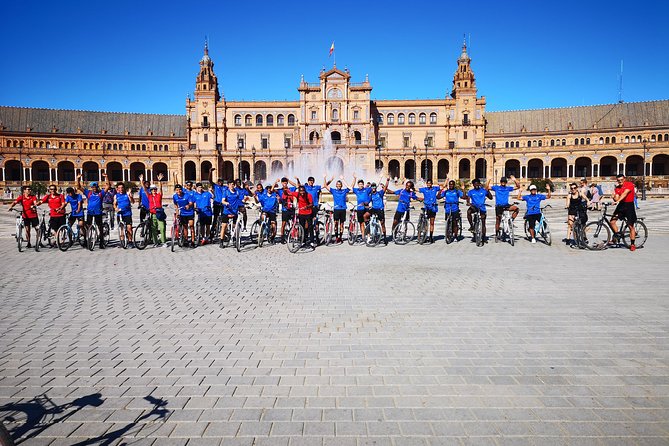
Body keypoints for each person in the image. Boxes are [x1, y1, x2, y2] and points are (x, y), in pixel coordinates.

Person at [77, 174, 108, 249]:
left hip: (98, 212)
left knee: (99, 226)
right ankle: (86, 240)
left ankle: (101, 241)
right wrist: (78, 179)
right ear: (91, 188)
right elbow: (79, 187)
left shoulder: (101, 193)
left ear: (97, 187)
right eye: (93, 187)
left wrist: (106, 177)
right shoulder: (89, 193)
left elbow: (108, 186)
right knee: (88, 227)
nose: (94, 188)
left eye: (95, 187)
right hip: (90, 212)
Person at [609, 174, 637, 251]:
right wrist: (613, 197)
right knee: (612, 222)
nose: (620, 181)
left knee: (630, 225)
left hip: (629, 206)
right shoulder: (617, 188)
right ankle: (617, 236)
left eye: (621, 179)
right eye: (618, 180)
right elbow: (617, 198)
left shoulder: (629, 184)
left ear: (624, 179)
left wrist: (617, 201)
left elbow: (625, 194)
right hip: (621, 205)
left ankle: (632, 244)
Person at [322, 177, 350, 244]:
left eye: (340, 184)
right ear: (336, 185)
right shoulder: (334, 191)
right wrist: (325, 178)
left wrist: (345, 179)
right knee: (336, 224)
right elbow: (325, 185)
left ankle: (340, 237)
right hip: (336, 209)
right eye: (337, 184)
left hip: (343, 209)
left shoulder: (344, 191)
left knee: (342, 224)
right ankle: (337, 237)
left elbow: (350, 187)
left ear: (341, 185)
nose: (339, 185)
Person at [466, 178, 493, 242]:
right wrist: (468, 203)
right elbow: (468, 199)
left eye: (477, 184)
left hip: (482, 207)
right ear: (473, 185)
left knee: (483, 222)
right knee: (468, 212)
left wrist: (488, 191)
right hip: (474, 206)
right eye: (475, 184)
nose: (476, 185)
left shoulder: (483, 191)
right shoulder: (471, 192)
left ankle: (483, 237)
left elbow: (491, 198)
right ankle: (472, 226)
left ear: (479, 184)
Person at [565, 182, 590, 246]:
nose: (573, 189)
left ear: (577, 188)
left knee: (582, 225)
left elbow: (586, 199)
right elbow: (567, 203)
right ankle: (568, 239)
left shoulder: (580, 194)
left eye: (574, 188)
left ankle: (584, 237)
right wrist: (567, 206)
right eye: (571, 188)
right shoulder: (569, 195)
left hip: (579, 210)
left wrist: (588, 202)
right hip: (572, 210)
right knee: (570, 225)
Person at [419, 179, 441, 243]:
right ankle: (425, 236)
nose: (428, 184)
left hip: (433, 207)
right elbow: (417, 190)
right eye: (427, 183)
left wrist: (447, 180)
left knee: (432, 223)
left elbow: (442, 187)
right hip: (426, 207)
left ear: (431, 184)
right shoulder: (424, 189)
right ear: (426, 184)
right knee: (425, 223)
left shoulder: (435, 188)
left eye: (430, 183)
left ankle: (431, 237)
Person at [147, 174, 167, 246]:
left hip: (159, 213)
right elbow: (144, 189)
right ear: (151, 191)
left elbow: (160, 189)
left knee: (162, 227)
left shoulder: (159, 195)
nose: (154, 191)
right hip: (153, 214)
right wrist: (141, 181)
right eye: (153, 190)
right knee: (153, 229)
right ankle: (155, 242)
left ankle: (163, 241)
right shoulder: (149, 196)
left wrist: (159, 181)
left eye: (155, 189)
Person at [114, 181, 135, 246]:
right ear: (117, 189)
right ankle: (122, 241)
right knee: (121, 228)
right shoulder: (116, 196)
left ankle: (130, 241)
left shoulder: (127, 194)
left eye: (122, 187)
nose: (121, 189)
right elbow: (114, 204)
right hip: (120, 214)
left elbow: (133, 202)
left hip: (127, 213)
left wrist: (130, 196)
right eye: (119, 188)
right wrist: (115, 208)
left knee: (129, 227)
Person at [370, 178, 390, 245]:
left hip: (380, 209)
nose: (373, 188)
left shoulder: (379, 193)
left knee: (382, 223)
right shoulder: (371, 195)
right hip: (373, 209)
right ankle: (370, 231)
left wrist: (387, 181)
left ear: (376, 187)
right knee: (365, 215)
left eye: (374, 186)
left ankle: (384, 238)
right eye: (372, 187)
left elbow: (385, 188)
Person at [277, 177, 297, 243]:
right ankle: (282, 238)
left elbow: (297, 186)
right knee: (283, 223)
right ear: (282, 183)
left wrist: (289, 180)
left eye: (286, 182)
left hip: (291, 209)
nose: (285, 184)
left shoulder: (291, 189)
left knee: (294, 223)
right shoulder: (280, 190)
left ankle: (294, 235)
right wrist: (276, 182)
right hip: (284, 209)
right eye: (283, 183)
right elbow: (271, 190)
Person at [208, 168, 227, 233]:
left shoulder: (225, 187)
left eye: (221, 181)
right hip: (216, 204)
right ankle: (212, 231)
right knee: (215, 218)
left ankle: (224, 231)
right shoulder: (215, 186)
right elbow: (210, 180)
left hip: (223, 205)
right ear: (218, 182)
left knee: (223, 218)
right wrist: (210, 172)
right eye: (219, 182)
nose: (220, 183)